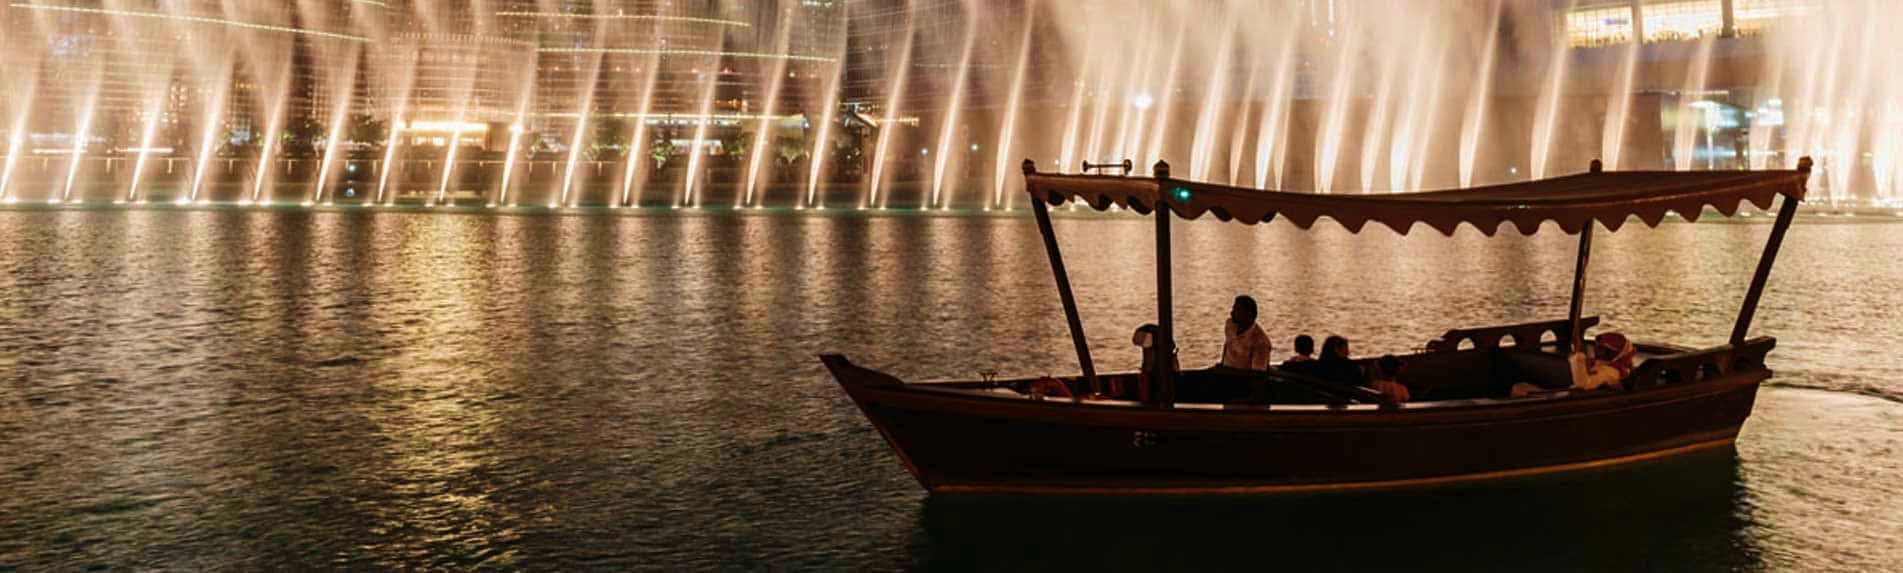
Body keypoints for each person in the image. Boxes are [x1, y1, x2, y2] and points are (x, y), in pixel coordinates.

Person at [1221, 296, 1273, 371]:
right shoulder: (1230, 325)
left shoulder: (1261, 342)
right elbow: (1227, 347)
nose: (1231, 313)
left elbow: (1257, 373)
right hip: (1224, 371)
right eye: (1233, 309)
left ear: (1249, 315)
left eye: (1237, 310)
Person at [1571, 332, 1637, 391]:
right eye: (1597, 347)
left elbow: (1583, 385)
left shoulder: (1610, 371)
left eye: (1601, 349)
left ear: (1615, 353)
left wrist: (1578, 356)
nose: (1597, 351)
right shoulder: (1609, 365)